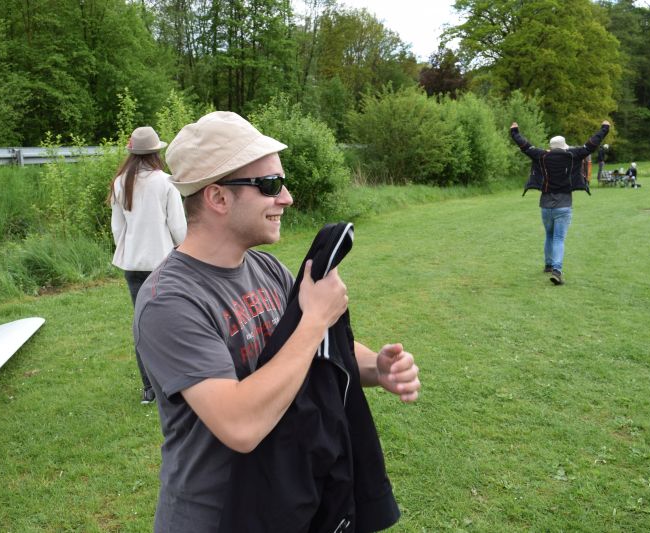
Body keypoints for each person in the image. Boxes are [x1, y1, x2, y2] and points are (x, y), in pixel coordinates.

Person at [133, 111, 421, 532]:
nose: (286, 198)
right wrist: (315, 319)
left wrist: (375, 367)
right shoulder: (169, 302)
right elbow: (240, 424)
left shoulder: (266, 268)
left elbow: (310, 349)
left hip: (283, 504)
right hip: (214, 518)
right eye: (269, 184)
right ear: (218, 198)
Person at [109, 126, 187, 404]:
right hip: (163, 262)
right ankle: (173, 382)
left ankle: (149, 388)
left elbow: (118, 228)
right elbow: (178, 227)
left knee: (143, 325)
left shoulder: (120, 183)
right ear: (155, 152)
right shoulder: (166, 182)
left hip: (133, 265)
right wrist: (184, 249)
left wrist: (130, 249)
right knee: (171, 323)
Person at [510, 120, 610, 285]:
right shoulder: (572, 155)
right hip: (563, 205)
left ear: (551, 147)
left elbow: (525, 146)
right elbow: (591, 145)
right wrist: (604, 129)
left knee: (549, 235)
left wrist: (515, 132)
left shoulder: (541, 155)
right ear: (564, 146)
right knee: (558, 238)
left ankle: (548, 265)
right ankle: (556, 270)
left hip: (545, 205)